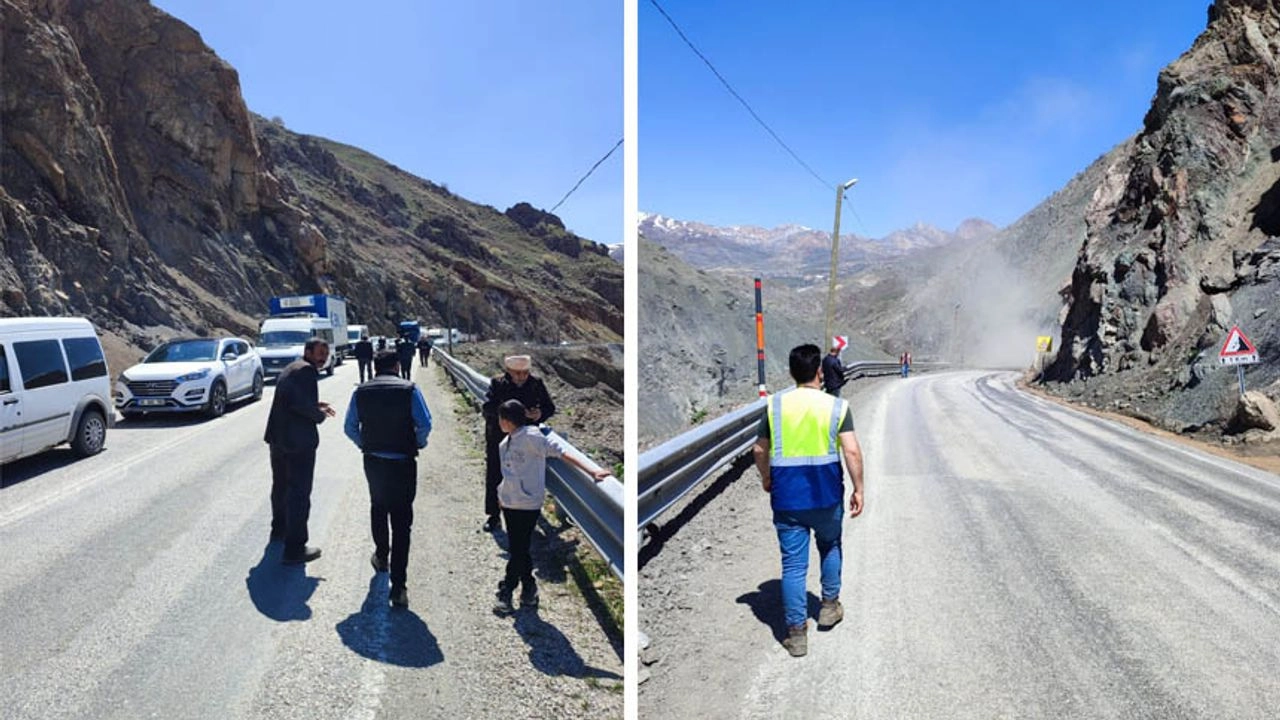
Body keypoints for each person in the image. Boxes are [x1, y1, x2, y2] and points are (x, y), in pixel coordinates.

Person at [753, 343, 864, 658]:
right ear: (819, 371)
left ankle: (797, 634)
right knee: (830, 546)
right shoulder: (837, 407)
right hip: (827, 497)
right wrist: (859, 489)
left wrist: (766, 478)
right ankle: (829, 607)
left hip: (787, 499)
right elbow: (852, 450)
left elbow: (760, 450)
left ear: (791, 372)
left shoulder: (774, 406)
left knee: (793, 565)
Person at [491, 398, 608, 615]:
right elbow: (507, 473)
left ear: (507, 421)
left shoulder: (532, 437)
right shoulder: (503, 444)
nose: (499, 422)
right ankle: (529, 588)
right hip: (509, 502)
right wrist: (500, 494)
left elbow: (561, 451)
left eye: (500, 418)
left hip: (527, 503)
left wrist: (592, 471)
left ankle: (507, 589)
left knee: (518, 548)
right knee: (519, 548)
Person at [343, 350, 432, 608]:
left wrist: (366, 445)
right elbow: (425, 424)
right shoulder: (409, 390)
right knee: (403, 522)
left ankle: (382, 556)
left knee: (378, 507)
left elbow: (349, 427)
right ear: (396, 366)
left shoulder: (361, 392)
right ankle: (399, 586)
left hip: (374, 461)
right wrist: (416, 443)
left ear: (374, 366)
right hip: (403, 462)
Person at [264, 338, 337, 564]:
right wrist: (319, 415)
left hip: (279, 439)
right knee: (299, 493)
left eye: (326, 352)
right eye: (319, 352)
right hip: (297, 443)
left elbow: (293, 401)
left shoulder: (293, 368)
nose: (323, 356)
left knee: (281, 486)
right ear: (307, 352)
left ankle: (279, 530)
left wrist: (315, 406)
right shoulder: (306, 372)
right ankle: (295, 548)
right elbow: (300, 406)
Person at [481, 355, 556, 532]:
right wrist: (516, 413)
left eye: (525, 372)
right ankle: (494, 515)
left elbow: (549, 407)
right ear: (509, 371)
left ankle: (523, 512)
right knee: (495, 474)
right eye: (518, 373)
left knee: (524, 475)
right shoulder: (498, 384)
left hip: (527, 440)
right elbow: (487, 408)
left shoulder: (536, 383)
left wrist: (539, 415)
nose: (522, 376)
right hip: (500, 437)